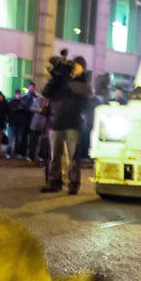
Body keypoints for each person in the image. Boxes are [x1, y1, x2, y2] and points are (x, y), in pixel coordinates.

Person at [42, 55, 86, 194]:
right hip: (57, 122)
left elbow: (83, 98)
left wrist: (72, 79)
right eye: (73, 65)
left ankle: (73, 184)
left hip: (73, 123)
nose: (74, 68)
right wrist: (56, 77)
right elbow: (46, 93)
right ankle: (55, 182)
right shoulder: (59, 80)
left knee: (73, 157)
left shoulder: (82, 81)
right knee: (55, 157)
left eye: (78, 66)